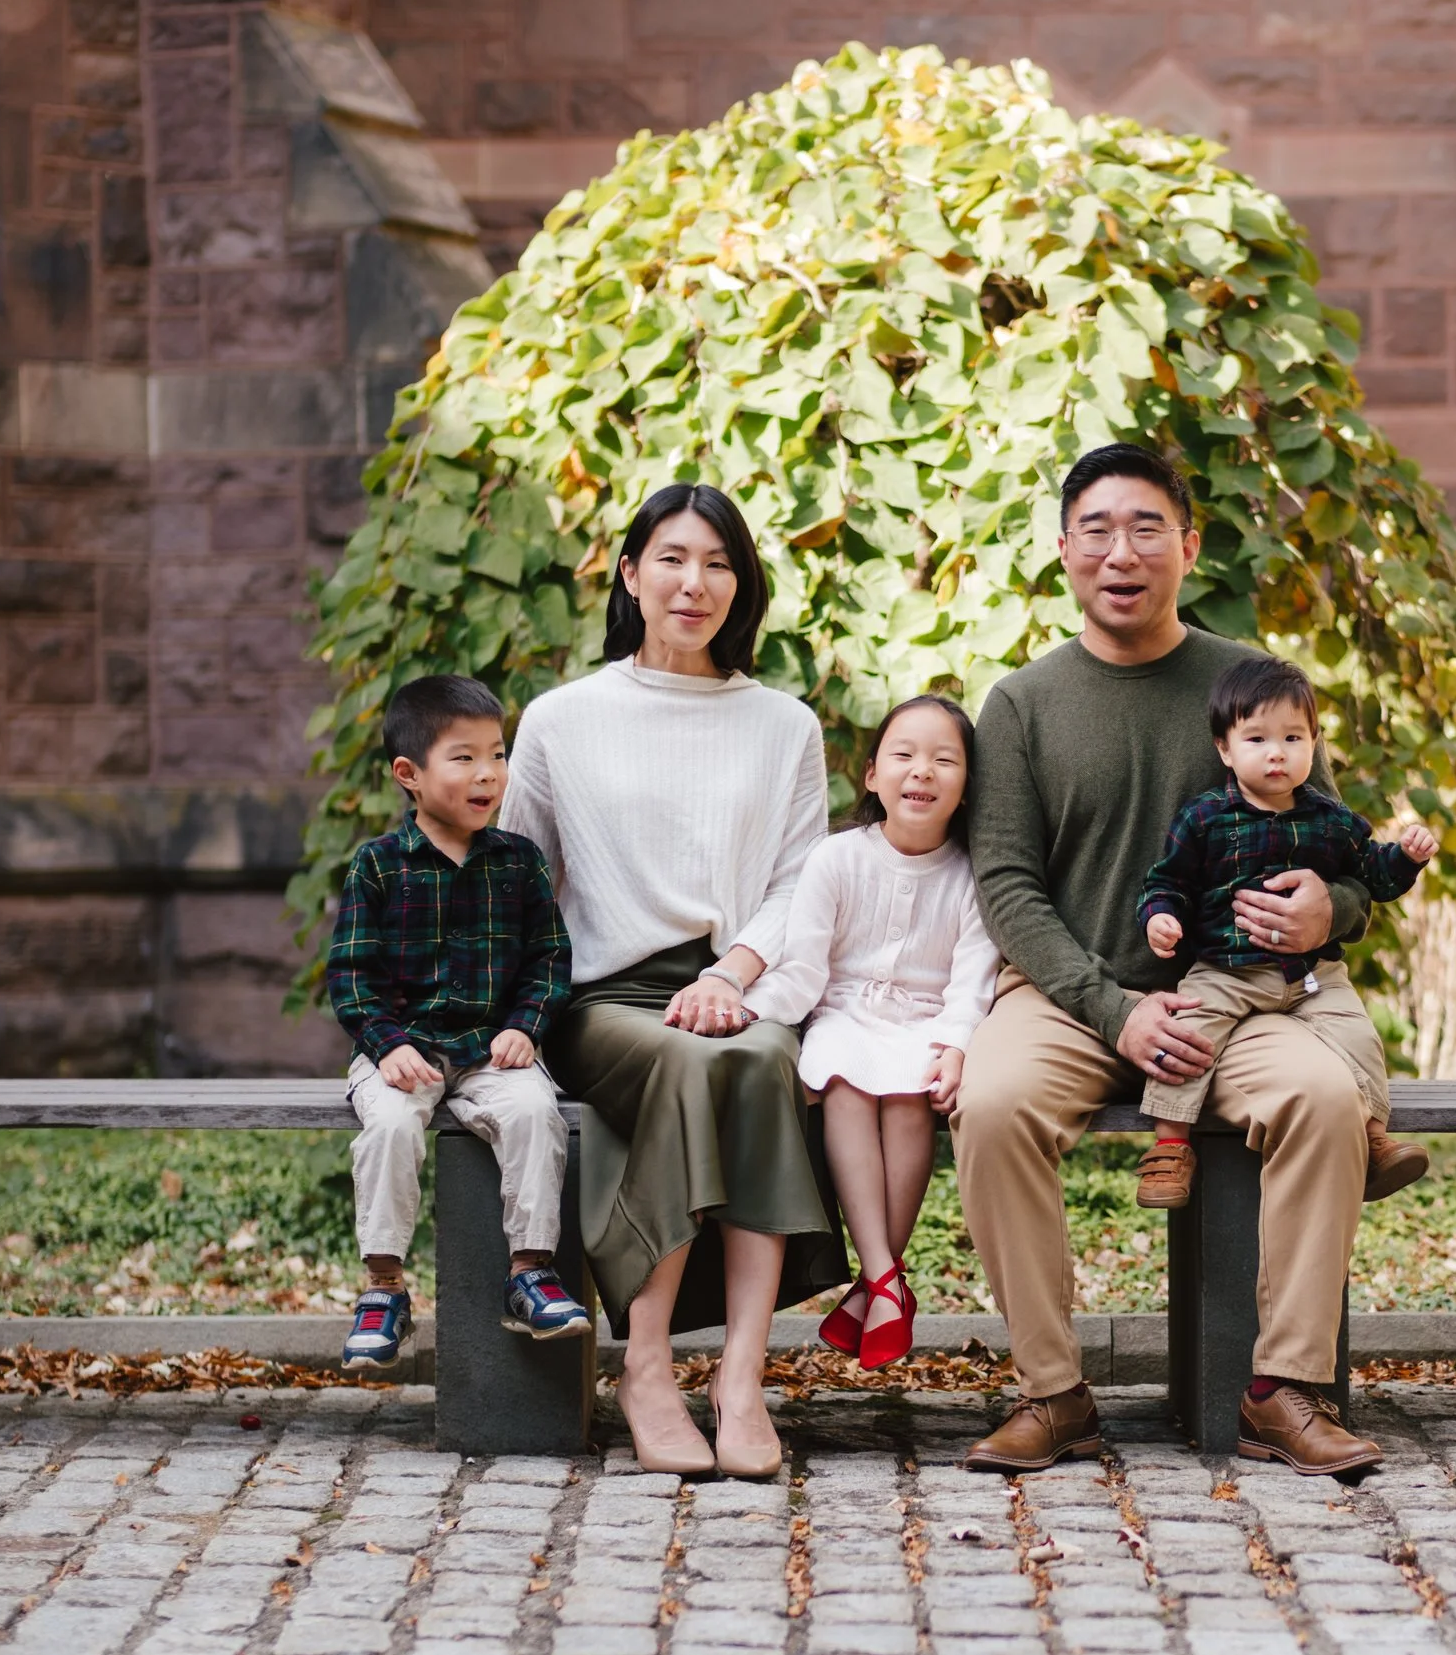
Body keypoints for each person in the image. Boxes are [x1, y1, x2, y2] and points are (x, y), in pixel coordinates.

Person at [954, 441, 1411, 1479]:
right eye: (1099, 529)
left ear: (1188, 545)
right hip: (1072, 999)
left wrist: (1324, 911)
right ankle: (1053, 1389)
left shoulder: (1253, 686)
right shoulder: (1022, 704)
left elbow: (1345, 859)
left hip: (1245, 1004)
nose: (1122, 551)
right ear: (1064, 548)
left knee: (1325, 1096)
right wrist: (1112, 1009)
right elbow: (1007, 885)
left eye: (1147, 527)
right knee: (991, 1104)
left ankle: (1281, 1387)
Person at [504, 482, 844, 1479]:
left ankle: (740, 1377)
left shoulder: (782, 724)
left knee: (754, 1058)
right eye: (672, 558)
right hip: (602, 994)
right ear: (630, 574)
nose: (694, 582)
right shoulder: (562, 719)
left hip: (742, 983)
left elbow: (799, 882)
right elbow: (522, 880)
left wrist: (735, 974)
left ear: (741, 586)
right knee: (695, 1065)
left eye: (718, 563)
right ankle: (645, 1364)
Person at [324, 673, 586, 1372]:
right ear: (409, 774)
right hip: (401, 1052)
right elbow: (352, 975)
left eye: (497, 755)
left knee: (535, 1112)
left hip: (489, 1051)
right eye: (464, 757)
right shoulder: (379, 866)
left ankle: (530, 1271)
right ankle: (384, 1288)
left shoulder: (518, 863)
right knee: (388, 1125)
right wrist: (387, 1043)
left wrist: (527, 1024)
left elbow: (550, 959)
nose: (488, 774)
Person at [744, 695, 998, 1371]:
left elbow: (971, 980)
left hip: (926, 1021)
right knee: (848, 1080)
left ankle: (876, 1283)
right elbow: (803, 966)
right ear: (872, 774)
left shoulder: (973, 875)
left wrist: (955, 1045)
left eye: (946, 759)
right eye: (905, 754)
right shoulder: (836, 858)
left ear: (968, 782)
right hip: (843, 1012)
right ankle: (888, 1277)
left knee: (911, 1092)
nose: (923, 770)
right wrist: (750, 1009)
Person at [1134, 654, 1443, 1206]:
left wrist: (1405, 859)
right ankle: (1170, 1146)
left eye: (1293, 738)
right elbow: (1169, 881)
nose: (1277, 752)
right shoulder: (1204, 819)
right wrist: (1162, 916)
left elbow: (1370, 875)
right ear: (1225, 749)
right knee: (1187, 1037)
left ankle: (1372, 1137)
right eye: (1257, 739)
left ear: (1315, 744)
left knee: (1356, 1033)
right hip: (1226, 972)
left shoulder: (1331, 820)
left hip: (1311, 975)